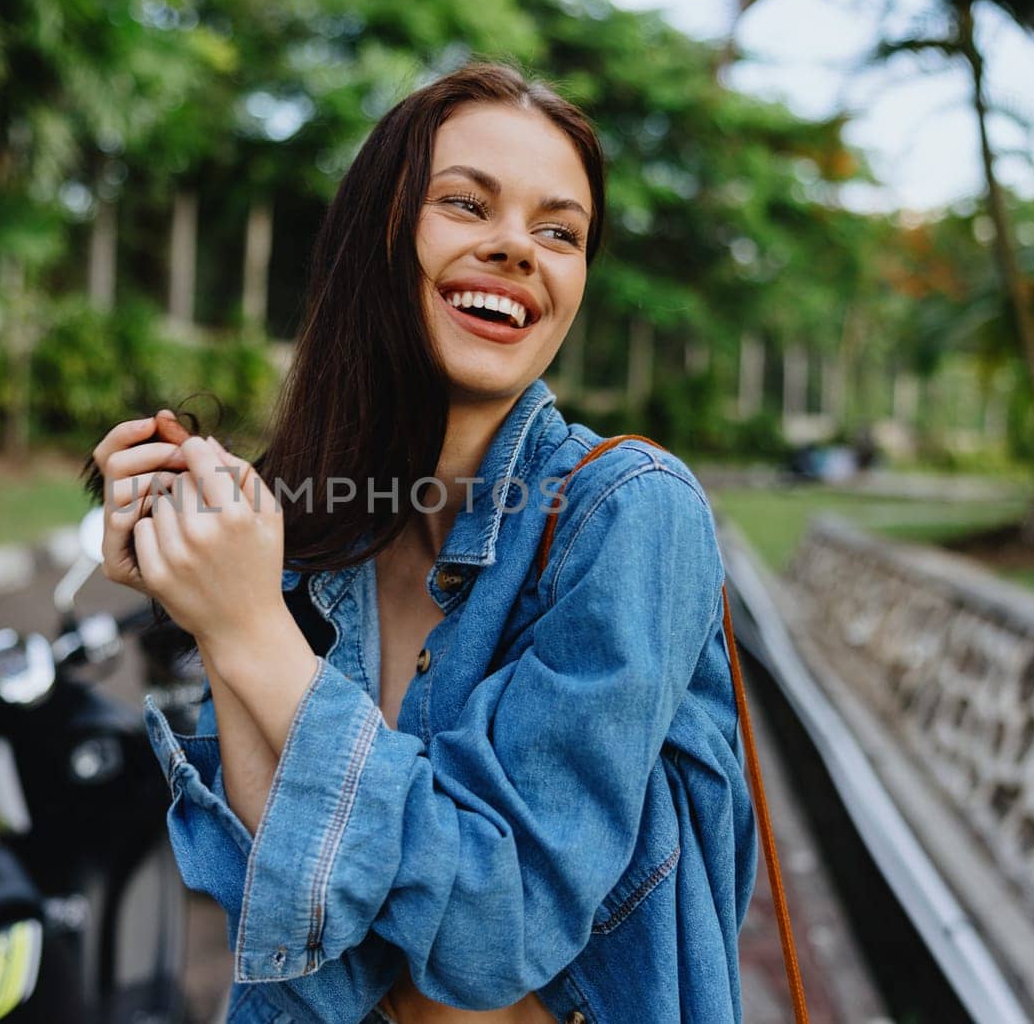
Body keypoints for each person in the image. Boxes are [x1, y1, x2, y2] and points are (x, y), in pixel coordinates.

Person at [90, 61, 756, 1024]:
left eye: (559, 231)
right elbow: (287, 929)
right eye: (465, 204)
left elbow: (499, 930)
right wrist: (213, 596)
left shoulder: (629, 514)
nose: (518, 249)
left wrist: (251, 633)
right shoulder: (320, 524)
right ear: (379, 236)